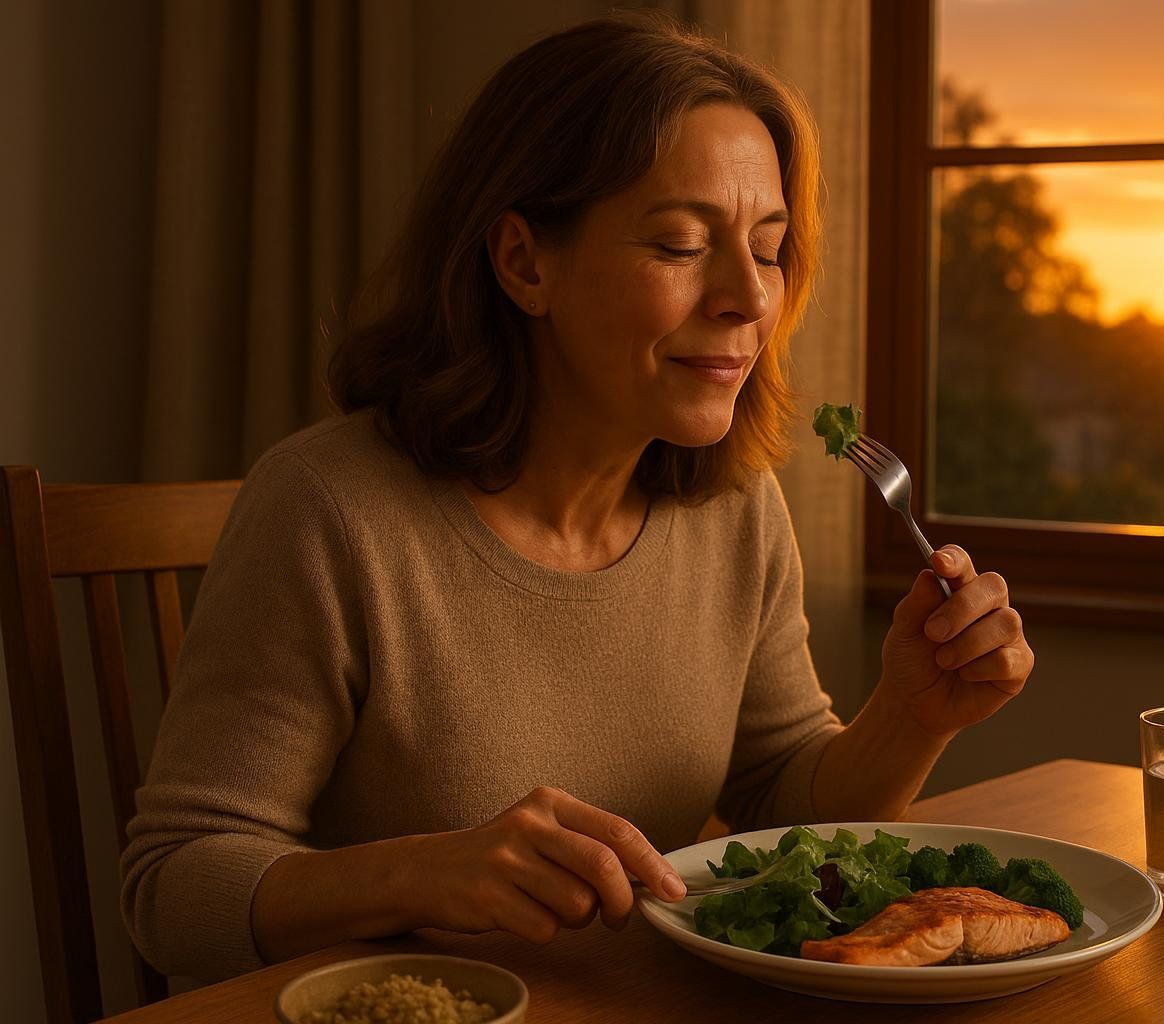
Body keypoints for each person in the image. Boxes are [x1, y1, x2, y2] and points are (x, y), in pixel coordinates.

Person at [120, 13, 1034, 982]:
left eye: (768, 247)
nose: (748, 297)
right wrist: (418, 873)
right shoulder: (329, 509)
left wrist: (910, 715)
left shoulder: (734, 506)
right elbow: (172, 890)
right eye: (682, 244)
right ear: (524, 262)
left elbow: (776, 799)